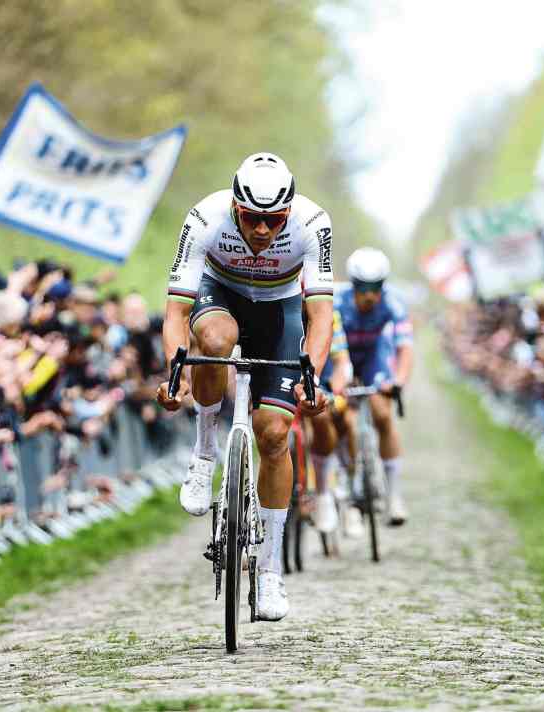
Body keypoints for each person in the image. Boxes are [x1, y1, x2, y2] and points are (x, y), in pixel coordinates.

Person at [156, 153, 332, 622]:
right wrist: (175, 375)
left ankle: (271, 570)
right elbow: (175, 312)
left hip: (280, 310)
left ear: (288, 213)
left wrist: (312, 377)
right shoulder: (204, 217)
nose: (261, 231)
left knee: (274, 435)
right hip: (222, 295)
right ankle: (204, 453)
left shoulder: (313, 224)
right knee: (214, 340)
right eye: (252, 218)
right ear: (235, 208)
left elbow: (320, 315)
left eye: (273, 221)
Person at [314, 248, 414, 529]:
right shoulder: (335, 300)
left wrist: (399, 381)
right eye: (363, 288)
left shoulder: (395, 301)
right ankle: (343, 479)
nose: (370, 295)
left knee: (383, 414)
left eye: (376, 288)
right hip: (339, 357)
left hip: (372, 356)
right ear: (353, 284)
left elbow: (405, 347)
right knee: (337, 416)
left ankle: (394, 496)